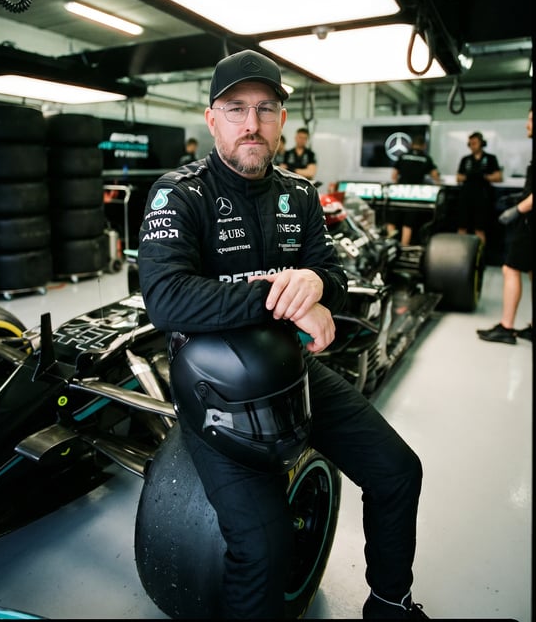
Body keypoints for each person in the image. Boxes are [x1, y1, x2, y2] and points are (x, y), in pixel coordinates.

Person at [138, 49, 427, 620]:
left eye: (265, 109)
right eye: (236, 109)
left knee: (398, 471)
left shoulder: (299, 193)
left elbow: (335, 278)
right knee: (265, 548)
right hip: (213, 389)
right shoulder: (179, 192)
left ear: (281, 120)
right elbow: (166, 299)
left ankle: (390, 605)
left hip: (295, 372)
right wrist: (286, 299)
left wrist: (317, 284)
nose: (252, 123)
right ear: (212, 118)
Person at [477, 108, 532, 344]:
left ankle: (506, 328)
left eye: (531, 120)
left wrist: (517, 210)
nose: (527, 125)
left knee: (511, 269)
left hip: (529, 222)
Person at [388, 135, 441, 246]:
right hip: (415, 194)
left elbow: (394, 176)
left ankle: (390, 245)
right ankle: (404, 248)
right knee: (408, 223)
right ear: (424, 146)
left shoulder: (403, 156)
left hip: (399, 192)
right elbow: (435, 176)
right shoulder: (426, 158)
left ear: (411, 145)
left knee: (392, 220)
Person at [456, 131, 502, 245]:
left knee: (479, 229)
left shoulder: (490, 158)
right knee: (462, 227)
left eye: (475, 143)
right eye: (470, 143)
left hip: (482, 197)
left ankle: (480, 254)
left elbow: (498, 177)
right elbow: (458, 177)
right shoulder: (465, 159)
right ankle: (459, 251)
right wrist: (469, 176)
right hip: (466, 196)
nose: (472, 146)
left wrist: (484, 176)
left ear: (481, 143)